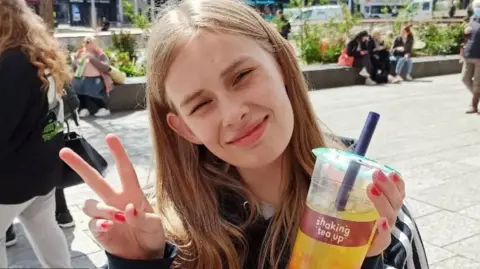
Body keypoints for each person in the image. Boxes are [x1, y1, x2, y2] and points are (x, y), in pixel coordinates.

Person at [60, 1, 429, 269]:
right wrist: (138, 264)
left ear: (283, 63)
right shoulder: (164, 238)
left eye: (241, 76)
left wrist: (365, 261)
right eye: (201, 104)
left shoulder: (377, 218)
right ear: (184, 127)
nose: (233, 111)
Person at [0, 0, 72, 267]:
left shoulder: (11, 64)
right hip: (43, 166)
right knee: (43, 226)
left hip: (12, 177)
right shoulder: (40, 55)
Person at [72, 35, 113, 118]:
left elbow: (106, 67)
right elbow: (73, 64)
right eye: (85, 42)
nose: (85, 44)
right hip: (81, 77)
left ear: (93, 43)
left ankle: (104, 108)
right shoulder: (80, 52)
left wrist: (92, 59)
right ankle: (83, 109)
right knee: (80, 93)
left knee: (92, 93)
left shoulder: (100, 54)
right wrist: (76, 61)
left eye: (88, 42)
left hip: (95, 78)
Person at [461, 0, 480, 114]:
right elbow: (467, 36)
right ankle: (476, 97)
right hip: (469, 54)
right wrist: (465, 32)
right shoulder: (473, 18)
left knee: (478, 82)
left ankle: (473, 105)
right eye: (476, 7)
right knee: (465, 78)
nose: (477, 9)